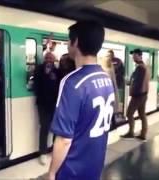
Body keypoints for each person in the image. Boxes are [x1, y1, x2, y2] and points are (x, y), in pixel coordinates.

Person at [45, 20, 114, 180]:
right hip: (95, 163)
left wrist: (52, 172)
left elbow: (64, 139)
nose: (68, 44)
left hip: (72, 169)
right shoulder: (106, 77)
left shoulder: (72, 82)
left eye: (69, 40)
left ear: (75, 42)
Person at [34, 52, 59, 165]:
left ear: (54, 59)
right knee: (44, 127)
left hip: (54, 103)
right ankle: (43, 153)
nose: (48, 59)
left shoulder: (58, 71)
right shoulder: (39, 69)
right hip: (42, 104)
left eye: (50, 58)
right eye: (47, 58)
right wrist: (45, 74)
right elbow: (36, 85)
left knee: (56, 128)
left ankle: (56, 149)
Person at [121, 48, 150, 141]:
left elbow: (137, 83)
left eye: (134, 55)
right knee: (142, 114)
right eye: (132, 56)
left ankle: (131, 132)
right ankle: (143, 134)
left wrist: (132, 91)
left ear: (139, 56)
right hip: (143, 95)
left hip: (138, 95)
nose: (133, 57)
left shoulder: (140, 68)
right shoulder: (144, 67)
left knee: (129, 114)